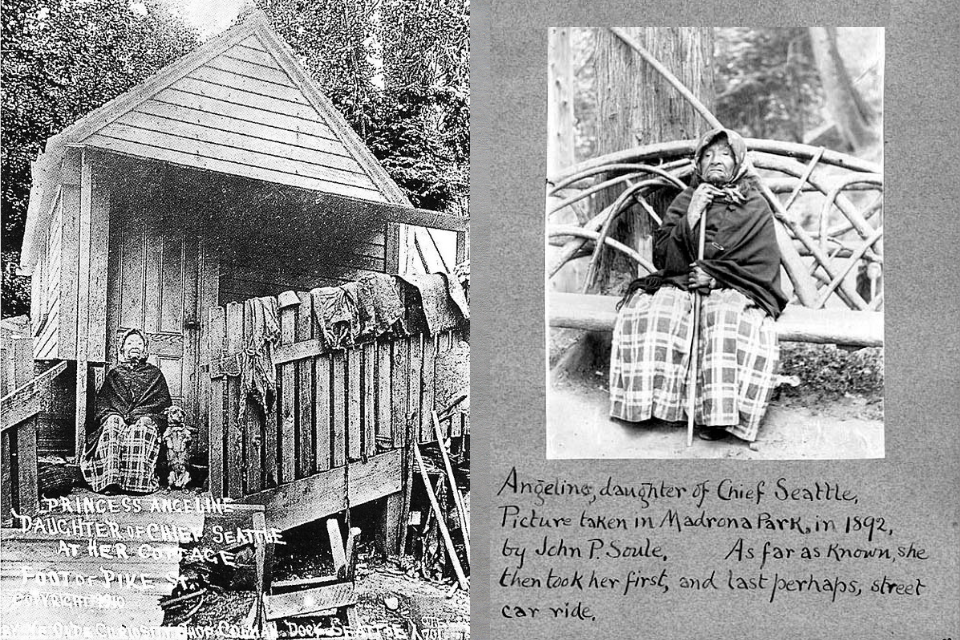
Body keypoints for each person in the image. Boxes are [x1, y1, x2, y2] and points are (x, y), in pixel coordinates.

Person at [609, 128, 788, 442]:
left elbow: (762, 263)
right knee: (655, 313)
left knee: (723, 320)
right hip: (683, 280)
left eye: (725, 154)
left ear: (738, 162)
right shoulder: (687, 198)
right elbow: (663, 257)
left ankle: (718, 417)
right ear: (698, 164)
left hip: (735, 286)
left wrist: (716, 277)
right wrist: (692, 213)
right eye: (708, 155)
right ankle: (654, 405)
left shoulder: (754, 204)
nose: (715, 160)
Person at [80, 328, 173, 494]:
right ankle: (109, 482)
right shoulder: (115, 374)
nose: (134, 346)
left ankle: (137, 484)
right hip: (118, 418)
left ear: (145, 349)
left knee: (143, 425)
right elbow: (104, 405)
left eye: (139, 343)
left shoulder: (155, 374)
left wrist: (141, 415)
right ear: (122, 349)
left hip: (144, 418)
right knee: (113, 423)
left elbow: (162, 407)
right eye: (130, 343)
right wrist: (116, 416)